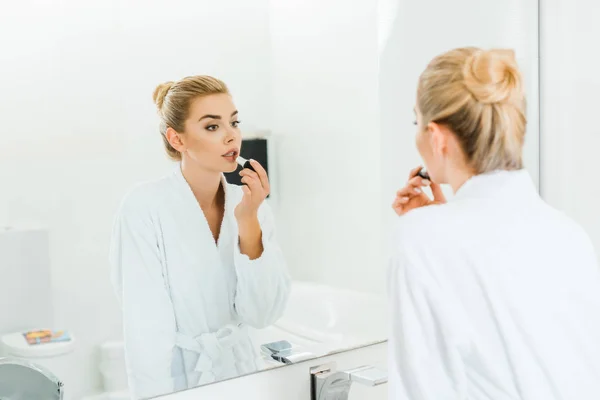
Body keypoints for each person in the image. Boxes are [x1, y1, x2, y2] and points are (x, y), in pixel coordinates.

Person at [388, 47, 600, 399]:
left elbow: (419, 389)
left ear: (436, 137)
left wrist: (430, 230)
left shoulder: (421, 237)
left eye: (417, 123)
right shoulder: (569, 234)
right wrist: (439, 223)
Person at [109, 75, 291, 399]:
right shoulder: (143, 208)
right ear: (177, 139)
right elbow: (146, 333)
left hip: (244, 377)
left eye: (234, 123)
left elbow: (262, 315)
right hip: (180, 383)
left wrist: (249, 221)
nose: (231, 136)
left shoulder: (250, 205)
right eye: (212, 126)